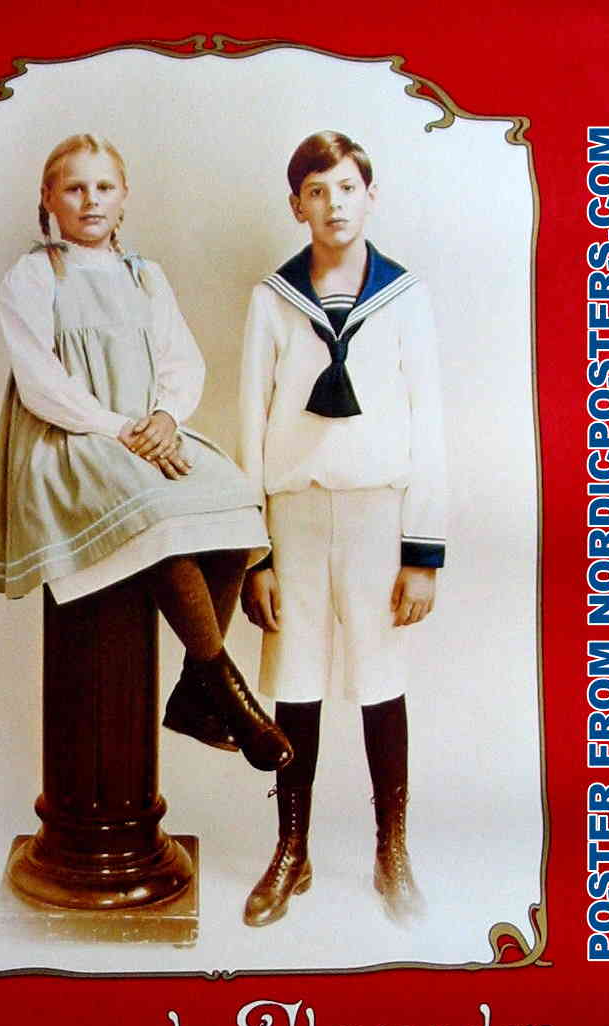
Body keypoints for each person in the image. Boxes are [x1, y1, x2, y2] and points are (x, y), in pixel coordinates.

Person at [0, 133, 292, 773]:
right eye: (74, 188)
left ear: (124, 196)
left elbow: (182, 361)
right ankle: (226, 693)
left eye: (103, 187)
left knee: (233, 499)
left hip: (144, 435)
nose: (90, 200)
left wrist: (166, 417)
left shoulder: (144, 275)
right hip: (72, 439)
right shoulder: (35, 275)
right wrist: (118, 428)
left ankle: (193, 691)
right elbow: (41, 382)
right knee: (160, 515)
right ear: (48, 198)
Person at [238, 130, 446, 923]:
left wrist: (422, 551)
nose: (334, 204)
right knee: (295, 683)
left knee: (379, 681)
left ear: (370, 195)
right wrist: (255, 552)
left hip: (377, 516)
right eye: (317, 192)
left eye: (347, 188)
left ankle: (392, 850)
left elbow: (430, 427)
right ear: (297, 205)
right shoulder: (273, 300)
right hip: (293, 515)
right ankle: (292, 850)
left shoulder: (405, 297)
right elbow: (249, 421)